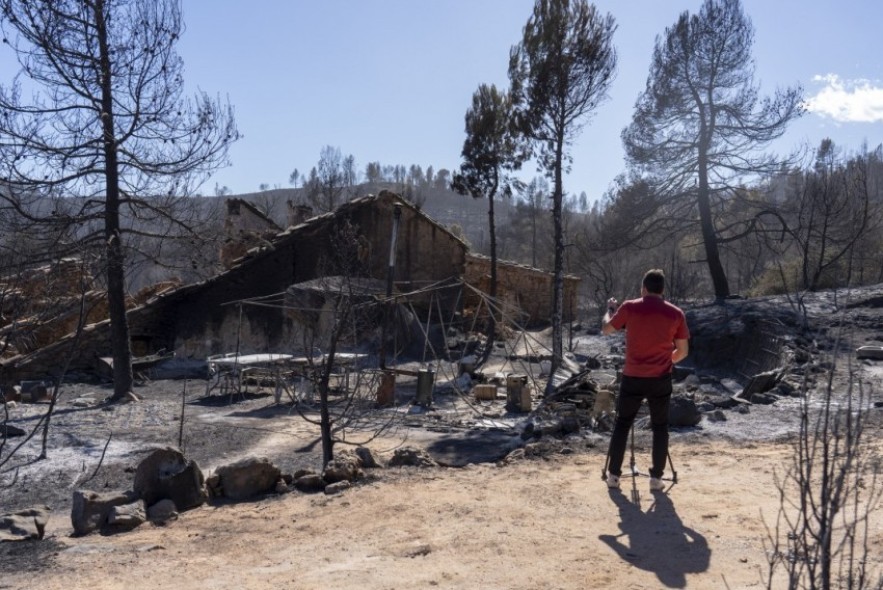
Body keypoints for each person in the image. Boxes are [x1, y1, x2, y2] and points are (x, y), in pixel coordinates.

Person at [601, 269, 690, 492]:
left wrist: (609, 310)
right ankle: (656, 479)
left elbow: (607, 329)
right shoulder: (676, 313)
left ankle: (613, 476)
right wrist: (667, 361)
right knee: (660, 427)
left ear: (644, 288)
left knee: (622, 424)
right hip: (660, 378)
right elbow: (683, 351)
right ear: (662, 290)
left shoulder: (630, 307)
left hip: (633, 376)